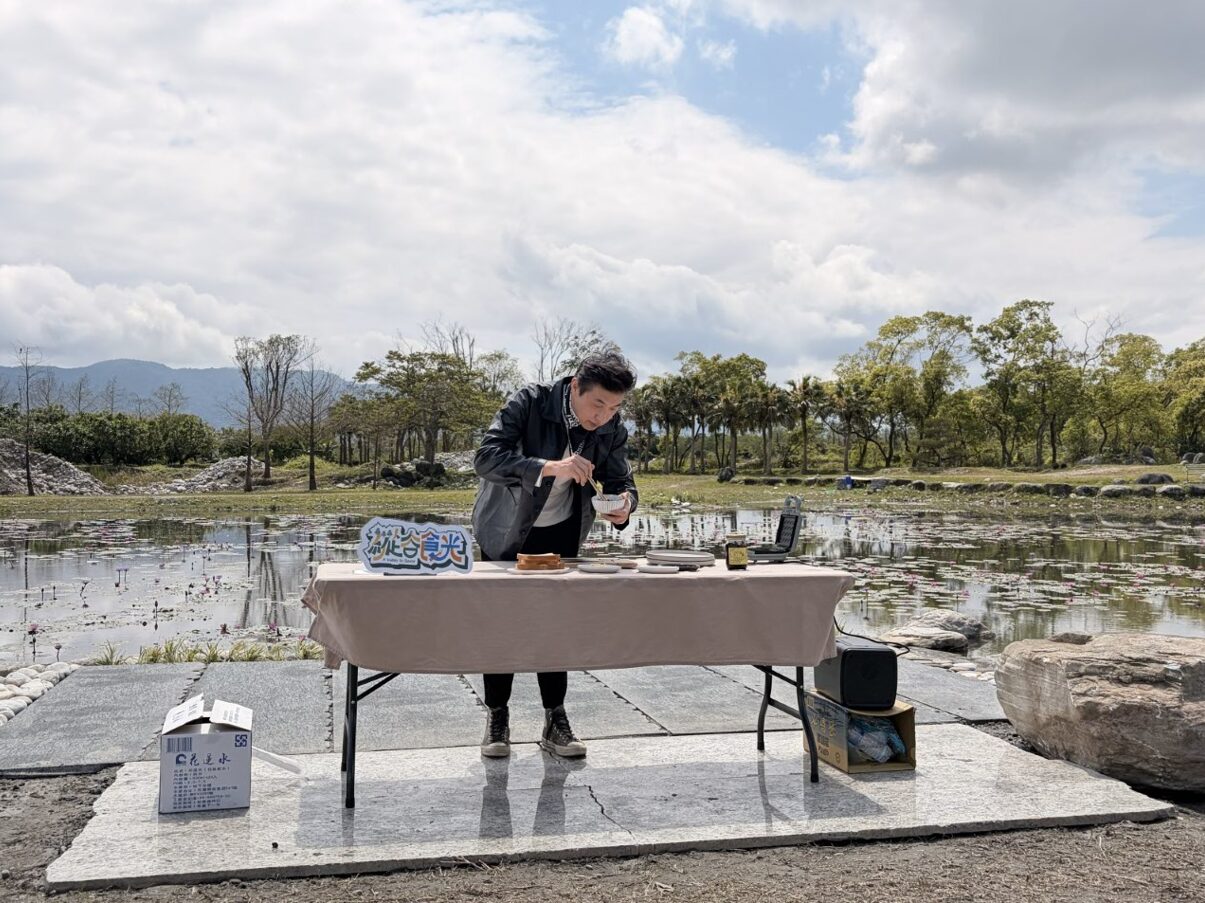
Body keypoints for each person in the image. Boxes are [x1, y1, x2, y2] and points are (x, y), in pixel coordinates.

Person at [472, 349, 638, 759]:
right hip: (506, 530)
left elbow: (621, 479)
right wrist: (550, 466)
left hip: (561, 533)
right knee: (501, 625)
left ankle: (555, 719)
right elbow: (486, 458)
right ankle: (497, 716)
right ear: (575, 386)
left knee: (554, 625)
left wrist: (624, 506)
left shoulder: (610, 427)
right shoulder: (529, 402)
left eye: (614, 408)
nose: (602, 416)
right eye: (597, 404)